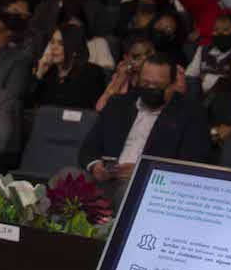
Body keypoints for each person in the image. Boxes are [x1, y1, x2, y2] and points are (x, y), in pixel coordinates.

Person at [79, 54, 210, 188]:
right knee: (66, 176)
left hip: (149, 186)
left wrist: (143, 172)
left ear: (172, 85)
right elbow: (88, 147)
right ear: (137, 80)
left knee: (126, 190)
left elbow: (191, 164)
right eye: (146, 83)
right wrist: (95, 166)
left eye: (157, 86)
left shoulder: (190, 114)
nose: (150, 89)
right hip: (106, 178)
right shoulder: (118, 104)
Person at [29, 28, 103, 109]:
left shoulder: (91, 72)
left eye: (60, 43)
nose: (54, 47)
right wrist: (39, 73)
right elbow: (28, 105)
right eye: (52, 42)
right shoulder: (48, 72)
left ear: (75, 49)